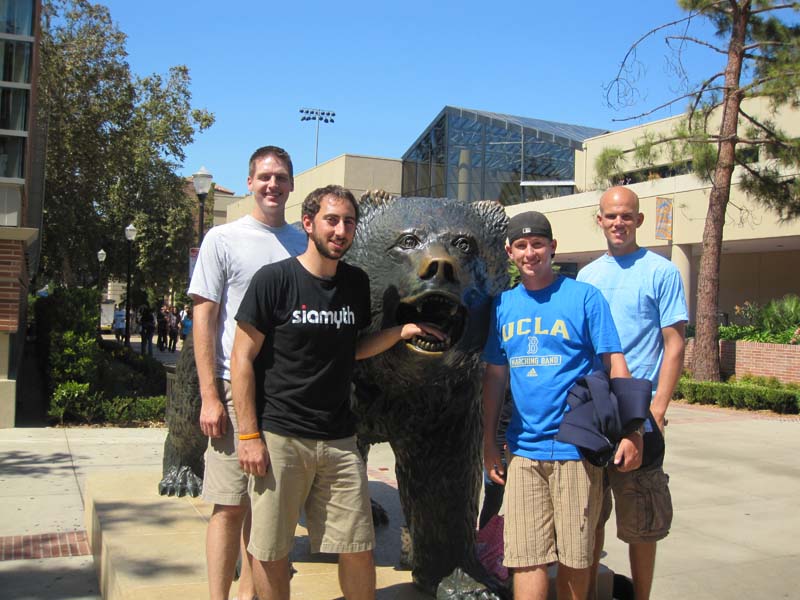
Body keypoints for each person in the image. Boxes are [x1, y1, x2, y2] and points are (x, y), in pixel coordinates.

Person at [231, 185, 443, 600]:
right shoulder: (274, 280)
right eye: (331, 220)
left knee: (358, 546)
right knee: (272, 551)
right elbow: (242, 360)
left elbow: (352, 349)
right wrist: (248, 435)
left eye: (348, 221)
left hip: (340, 438)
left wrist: (401, 332)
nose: (341, 229)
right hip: (281, 437)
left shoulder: (355, 283)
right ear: (308, 224)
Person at [481, 211, 642, 600]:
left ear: (553, 248)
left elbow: (615, 363)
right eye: (521, 245)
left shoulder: (584, 297)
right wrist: (488, 443)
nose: (530, 252)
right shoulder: (503, 306)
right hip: (522, 452)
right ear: (509, 251)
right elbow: (495, 378)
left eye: (538, 244)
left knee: (576, 555)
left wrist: (633, 430)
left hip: (575, 449)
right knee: (526, 557)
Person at [188, 145, 307, 600]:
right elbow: (205, 318)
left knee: (268, 508)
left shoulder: (302, 242)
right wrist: (209, 395)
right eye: (264, 177)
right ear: (250, 183)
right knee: (230, 505)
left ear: (292, 185)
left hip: (285, 393)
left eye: (280, 177)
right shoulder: (223, 239)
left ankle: (249, 593)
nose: (272, 185)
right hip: (233, 389)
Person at [578, 186, 688, 600]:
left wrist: (656, 410)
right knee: (588, 518)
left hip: (639, 416)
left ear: (639, 220)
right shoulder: (587, 277)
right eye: (611, 216)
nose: (618, 223)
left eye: (626, 216)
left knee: (643, 520)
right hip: (593, 414)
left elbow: (675, 343)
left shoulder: (661, 272)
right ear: (600, 220)